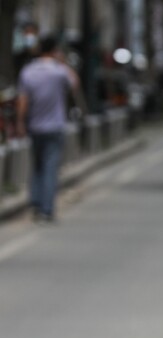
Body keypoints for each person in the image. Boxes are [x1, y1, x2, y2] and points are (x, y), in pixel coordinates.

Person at [16, 36, 81, 223]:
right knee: (50, 167)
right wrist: (63, 63)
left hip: (35, 125)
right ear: (55, 50)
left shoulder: (28, 71)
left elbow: (23, 100)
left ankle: (35, 203)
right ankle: (47, 209)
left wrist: (21, 123)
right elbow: (74, 85)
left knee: (36, 165)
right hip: (55, 126)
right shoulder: (59, 72)